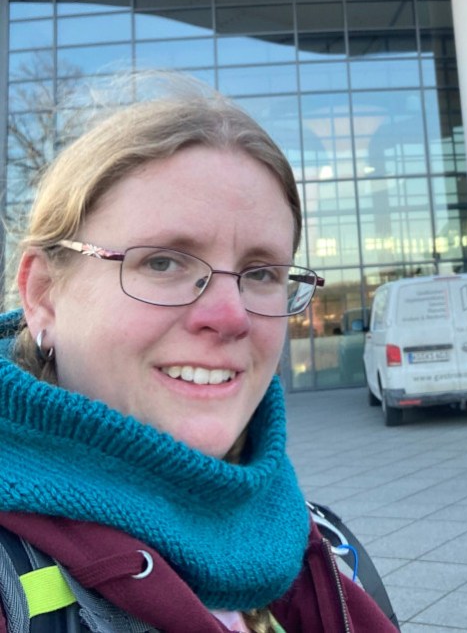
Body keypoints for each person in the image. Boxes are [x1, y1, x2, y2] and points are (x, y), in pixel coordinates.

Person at [0, 77, 398, 633]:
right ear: (43, 294)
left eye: (261, 274)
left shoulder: (319, 546)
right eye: (163, 262)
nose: (231, 316)